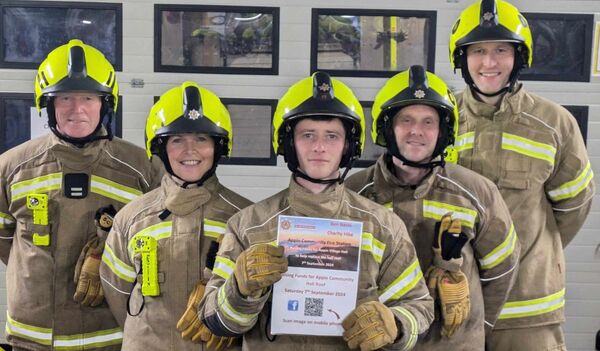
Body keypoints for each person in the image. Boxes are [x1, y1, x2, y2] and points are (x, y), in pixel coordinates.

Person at [199, 71, 434, 350]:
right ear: (289, 143)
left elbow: (419, 306)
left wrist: (395, 325)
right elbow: (218, 320)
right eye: (307, 135)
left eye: (332, 136)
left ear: (348, 145)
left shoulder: (383, 227)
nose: (319, 147)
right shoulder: (248, 226)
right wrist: (239, 290)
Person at [449, 0, 595, 349]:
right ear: (461, 58)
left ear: (519, 57)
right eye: (478, 50)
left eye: (501, 50)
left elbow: (573, 209)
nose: (489, 62)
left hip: (527, 311)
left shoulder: (554, 123)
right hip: (453, 305)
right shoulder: (440, 119)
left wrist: (532, 251)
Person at [0, 39, 163, 350]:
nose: (77, 110)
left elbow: (161, 242)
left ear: (106, 103)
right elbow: (5, 240)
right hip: (31, 339)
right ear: (47, 105)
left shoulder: (143, 169)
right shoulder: (10, 167)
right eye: (64, 99)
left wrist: (111, 257)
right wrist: (33, 270)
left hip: (109, 338)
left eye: (89, 97)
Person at [345, 65, 520, 350]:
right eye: (406, 119)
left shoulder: (476, 192)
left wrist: (475, 326)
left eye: (429, 121)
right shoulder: (355, 193)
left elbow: (503, 269)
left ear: (443, 130)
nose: (417, 131)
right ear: (387, 126)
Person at [99, 81, 252, 350]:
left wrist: (227, 312)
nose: (189, 150)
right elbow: (117, 293)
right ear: (160, 147)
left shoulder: (244, 218)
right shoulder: (131, 219)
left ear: (218, 147)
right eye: (177, 139)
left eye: (201, 139)